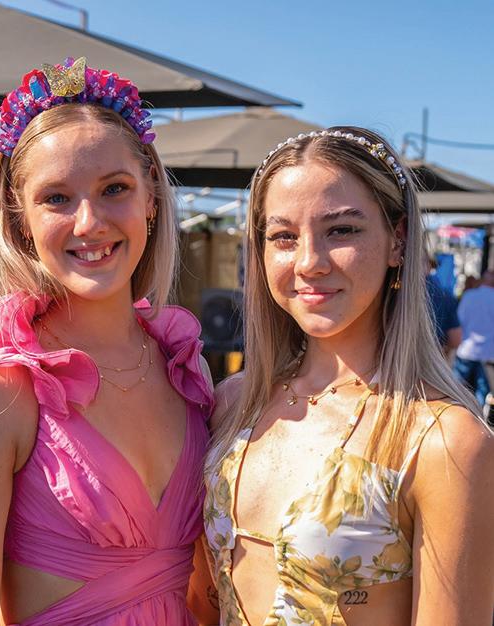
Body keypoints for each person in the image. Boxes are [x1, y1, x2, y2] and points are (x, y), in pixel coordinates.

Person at [0, 57, 219, 626]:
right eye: (56, 198)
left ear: (151, 198)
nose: (89, 222)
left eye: (114, 188)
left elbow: (206, 595)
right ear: (19, 219)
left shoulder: (187, 373)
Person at [204, 128, 494, 625]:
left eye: (340, 230)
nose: (309, 262)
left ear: (398, 240)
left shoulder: (443, 440)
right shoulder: (232, 404)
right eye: (283, 237)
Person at [453, 269, 494, 417]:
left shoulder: (470, 296)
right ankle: (477, 421)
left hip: (466, 350)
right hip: (487, 354)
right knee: (481, 394)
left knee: (456, 392)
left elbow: (459, 321)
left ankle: (458, 418)